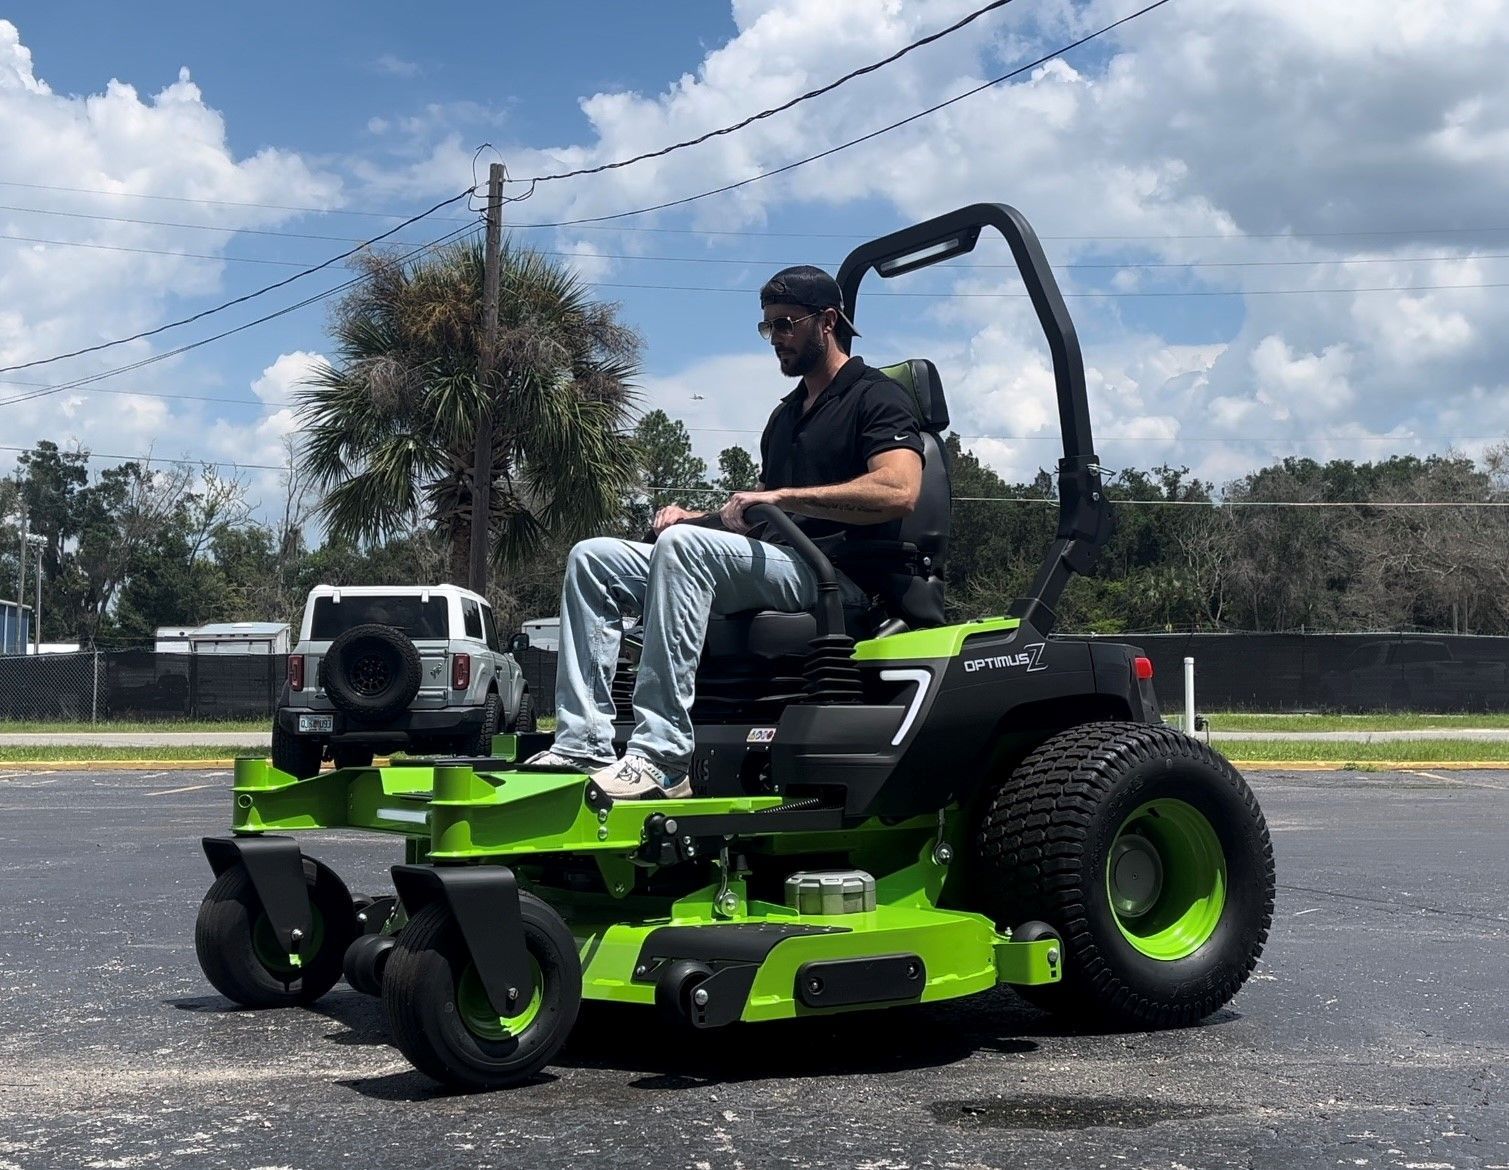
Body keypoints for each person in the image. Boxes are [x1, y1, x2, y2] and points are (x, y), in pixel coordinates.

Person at [528, 265, 925, 799]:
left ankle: (662, 757)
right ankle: (583, 743)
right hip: (780, 564)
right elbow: (756, 514)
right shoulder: (785, 418)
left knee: (683, 548)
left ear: (828, 321)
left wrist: (782, 498)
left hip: (840, 577)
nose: (776, 338)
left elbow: (900, 490)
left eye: (786, 324)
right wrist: (697, 519)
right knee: (593, 557)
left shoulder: (876, 396)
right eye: (768, 327)